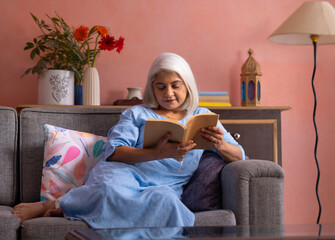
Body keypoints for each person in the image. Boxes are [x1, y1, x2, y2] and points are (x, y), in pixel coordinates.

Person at [13, 52, 245, 228]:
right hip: (124, 173)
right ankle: (52, 204)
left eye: (176, 86)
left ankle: (75, 206)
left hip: (166, 185)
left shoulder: (201, 116)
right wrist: (158, 153)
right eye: (161, 87)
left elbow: (240, 156)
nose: (168, 93)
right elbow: (114, 152)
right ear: (152, 88)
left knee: (166, 202)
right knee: (108, 191)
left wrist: (220, 144)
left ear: (188, 86)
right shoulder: (137, 113)